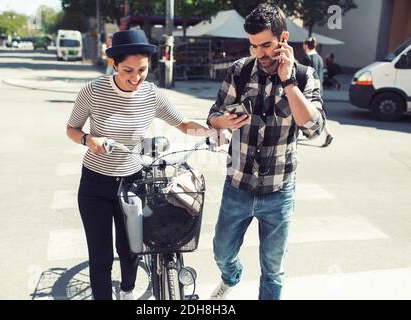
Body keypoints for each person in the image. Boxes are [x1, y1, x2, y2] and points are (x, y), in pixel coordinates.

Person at [66, 30, 217, 300]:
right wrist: (88, 139)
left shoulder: (151, 94)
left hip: (132, 183)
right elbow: (71, 129)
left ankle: (127, 291)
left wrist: (212, 132)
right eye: (128, 70)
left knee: (131, 248)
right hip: (95, 185)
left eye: (142, 70)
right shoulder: (93, 91)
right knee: (100, 256)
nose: (136, 77)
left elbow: (182, 124)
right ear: (114, 64)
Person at [207, 4, 326, 300]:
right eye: (254, 46)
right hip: (237, 186)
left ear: (283, 38)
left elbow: (313, 129)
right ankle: (231, 277)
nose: (260, 53)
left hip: (279, 190)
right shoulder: (240, 71)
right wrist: (223, 122)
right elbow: (213, 116)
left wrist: (288, 83)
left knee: (273, 271)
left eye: (266, 45)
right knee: (221, 253)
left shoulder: (304, 75)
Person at [302, 37, 333, 147]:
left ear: (306, 45)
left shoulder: (308, 58)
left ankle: (327, 134)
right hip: (319, 90)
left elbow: (307, 76)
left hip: (310, 91)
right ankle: (328, 134)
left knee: (307, 114)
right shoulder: (319, 58)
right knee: (319, 113)